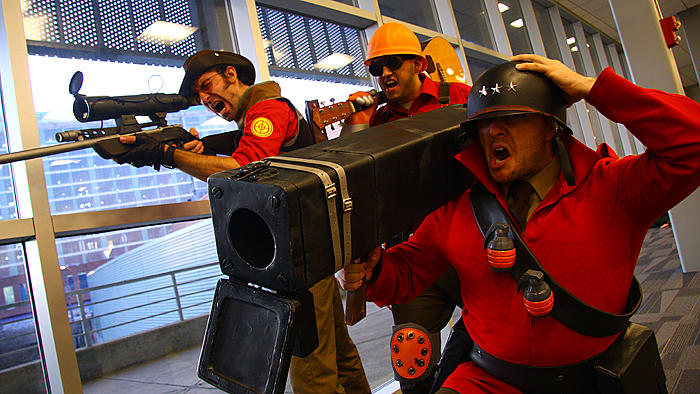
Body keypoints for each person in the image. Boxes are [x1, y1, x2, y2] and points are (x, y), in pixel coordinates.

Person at [337, 53, 700, 393]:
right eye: (484, 124)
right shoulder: (457, 209)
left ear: (548, 128)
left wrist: (593, 88)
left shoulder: (613, 188)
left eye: (510, 119)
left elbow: (693, 142)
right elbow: (406, 273)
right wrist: (375, 270)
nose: (493, 132)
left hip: (588, 380)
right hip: (486, 380)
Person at [115, 50, 371, 394]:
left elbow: (242, 168)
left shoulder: (267, 110)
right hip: (309, 251)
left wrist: (167, 154)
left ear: (231, 74)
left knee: (312, 375)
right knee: (337, 355)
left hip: (301, 258)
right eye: (200, 97)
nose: (206, 100)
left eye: (208, 86)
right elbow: (245, 157)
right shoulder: (254, 121)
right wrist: (197, 152)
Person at [341, 22, 472, 394]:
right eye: (375, 68)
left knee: (495, 347)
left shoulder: (459, 96)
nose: (384, 74)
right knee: (412, 362)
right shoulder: (379, 120)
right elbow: (360, 180)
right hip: (417, 253)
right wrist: (359, 126)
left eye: (393, 63)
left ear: (418, 63)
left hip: (473, 242)